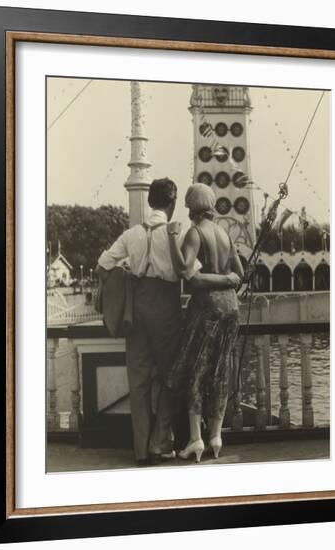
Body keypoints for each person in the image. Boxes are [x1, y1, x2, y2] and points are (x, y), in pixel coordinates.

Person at [97, 178, 240, 466]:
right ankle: (160, 444)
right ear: (173, 204)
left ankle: (140, 450)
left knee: (138, 381)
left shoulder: (131, 234)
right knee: (169, 378)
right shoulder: (176, 233)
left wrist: (127, 280)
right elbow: (191, 273)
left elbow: (102, 265)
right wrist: (228, 280)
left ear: (149, 201)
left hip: (136, 310)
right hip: (166, 309)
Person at [166, 183, 245, 463]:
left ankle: (195, 439)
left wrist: (173, 240)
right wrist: (228, 281)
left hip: (206, 309)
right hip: (230, 309)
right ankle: (216, 436)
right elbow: (240, 274)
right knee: (220, 370)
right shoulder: (224, 233)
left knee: (195, 371)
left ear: (190, 208)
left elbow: (189, 274)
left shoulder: (195, 233)